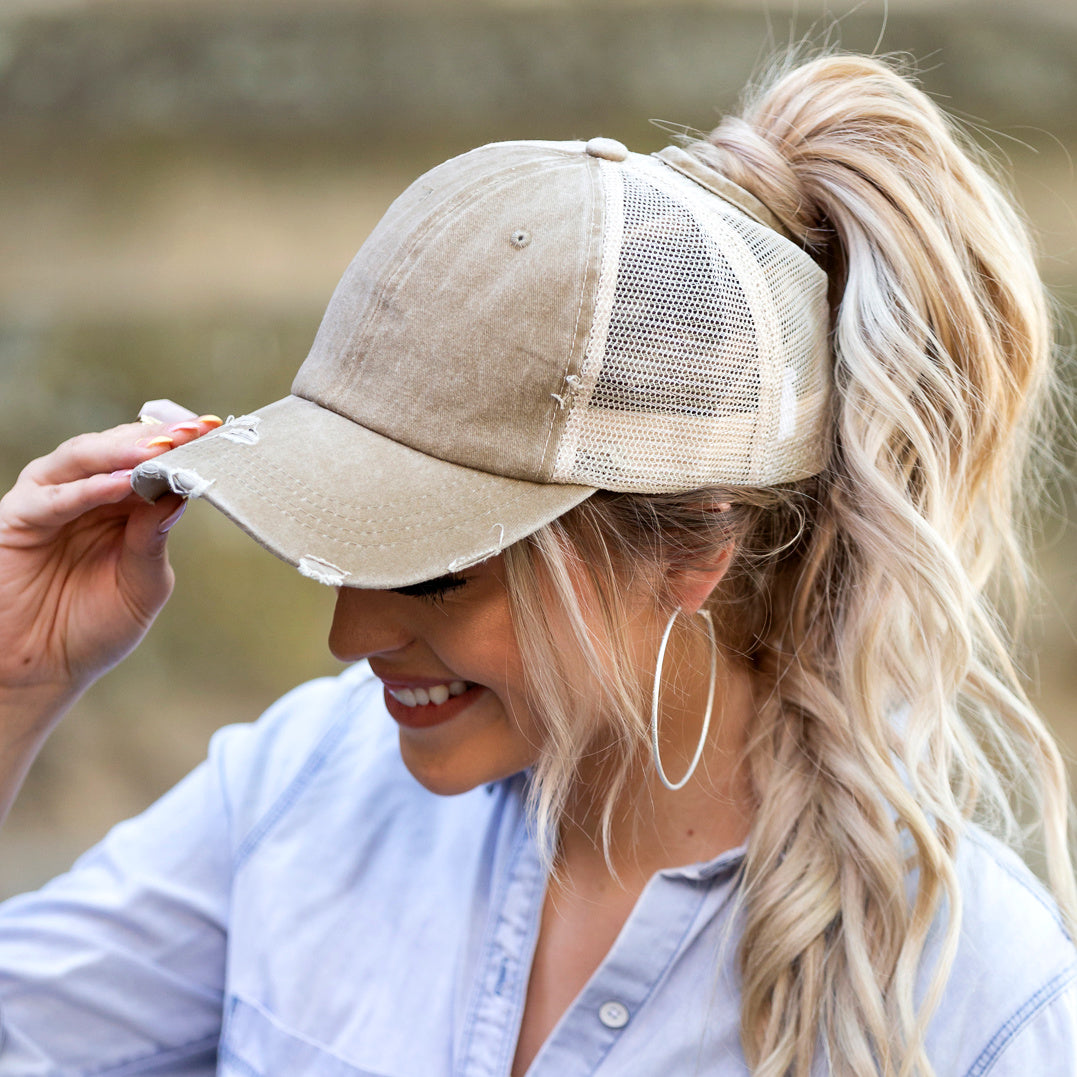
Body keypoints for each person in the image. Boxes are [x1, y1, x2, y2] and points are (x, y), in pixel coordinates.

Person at [0, 51, 1074, 1077]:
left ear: (695, 546)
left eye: (432, 569)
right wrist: (17, 677)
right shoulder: (307, 784)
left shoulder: (966, 998)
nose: (347, 637)